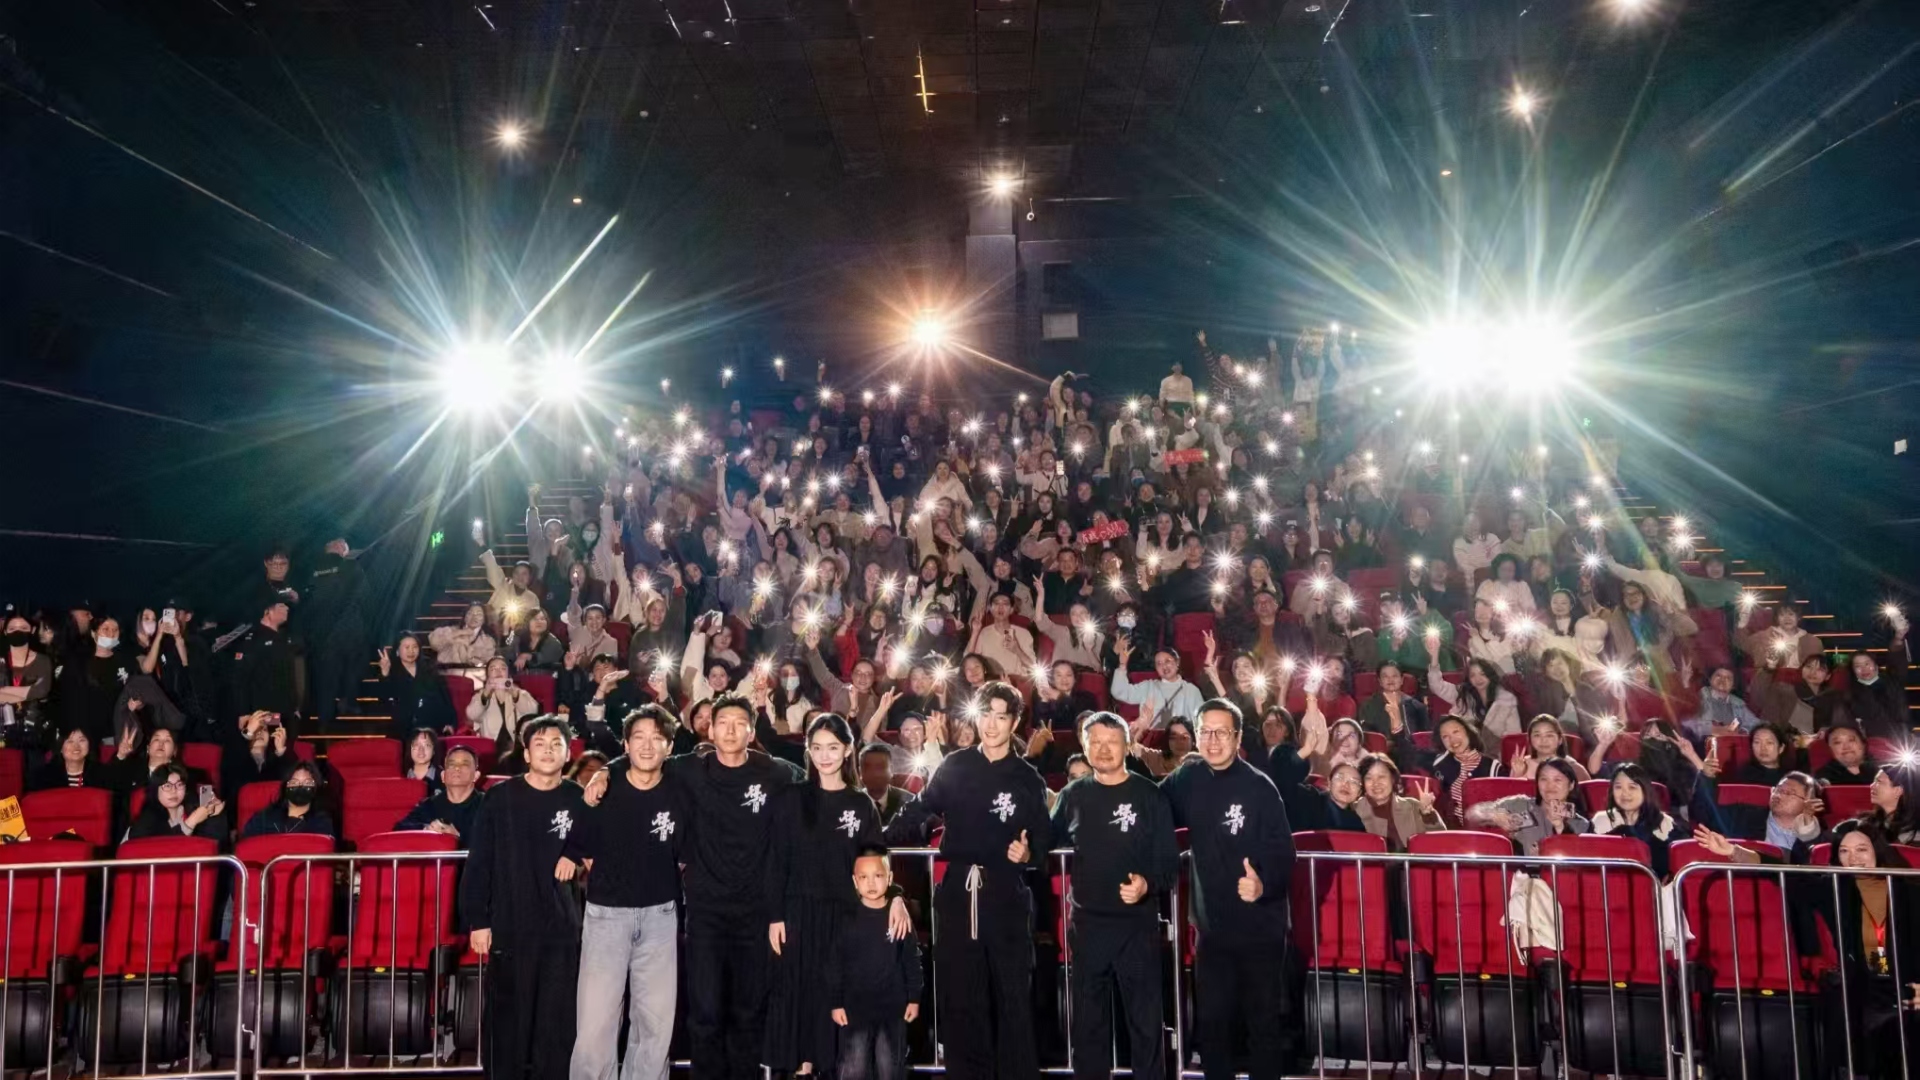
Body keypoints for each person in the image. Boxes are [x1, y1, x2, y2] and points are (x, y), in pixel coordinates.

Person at [585, 694, 805, 1080]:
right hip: (705, 913)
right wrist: (604, 770)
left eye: (739, 723)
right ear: (710, 730)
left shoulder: (774, 772)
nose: (731, 730)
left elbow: (816, 777)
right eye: (723, 723)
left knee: (748, 1011)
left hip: (755, 913)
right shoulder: (691, 769)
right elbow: (644, 758)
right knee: (704, 1013)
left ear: (751, 731)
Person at [883, 682, 1052, 1080]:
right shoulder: (956, 765)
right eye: (985, 714)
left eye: (1001, 716)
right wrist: (877, 840)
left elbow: (1045, 838)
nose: (991, 724)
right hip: (958, 894)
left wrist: (1028, 854)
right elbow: (920, 808)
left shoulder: (1027, 778)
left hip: (1006, 896)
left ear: (1014, 723)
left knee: (1012, 995)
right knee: (961, 996)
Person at [764, 715, 908, 1077]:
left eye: (832, 747)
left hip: (844, 916)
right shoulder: (791, 798)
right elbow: (776, 860)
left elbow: (876, 858)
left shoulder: (860, 804)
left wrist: (896, 895)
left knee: (836, 998)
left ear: (847, 751)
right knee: (798, 996)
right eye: (817, 748)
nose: (824, 756)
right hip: (797, 914)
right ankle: (800, 1069)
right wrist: (775, 916)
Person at [1159, 698, 1296, 1080]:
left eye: (1222, 732)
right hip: (1212, 931)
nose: (1213, 740)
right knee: (1213, 1025)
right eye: (1205, 732)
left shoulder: (1259, 787)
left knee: (1262, 1024)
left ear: (1237, 738)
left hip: (1260, 929)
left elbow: (1285, 852)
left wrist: (1263, 883)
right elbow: (1152, 804)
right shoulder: (1188, 778)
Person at [1049, 713, 1178, 1080]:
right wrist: (1025, 849)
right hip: (1088, 926)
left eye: (1112, 742)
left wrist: (1146, 884)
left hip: (1136, 927)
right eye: (1096, 742)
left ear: (1126, 745)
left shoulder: (1149, 795)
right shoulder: (1072, 795)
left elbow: (1169, 864)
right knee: (1088, 1025)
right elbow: (1046, 842)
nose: (1104, 749)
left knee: (1145, 1022)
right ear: (1085, 746)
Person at [465, 718, 587, 1080]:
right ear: (527, 753)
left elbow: (596, 841)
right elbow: (480, 860)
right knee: (508, 1023)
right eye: (540, 744)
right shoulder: (500, 798)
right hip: (511, 924)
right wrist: (478, 919)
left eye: (556, 744)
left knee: (558, 1023)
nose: (548, 750)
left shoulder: (577, 798)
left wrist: (575, 853)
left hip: (561, 927)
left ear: (567, 754)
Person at [565, 707, 684, 1080]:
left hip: (660, 916)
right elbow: (582, 847)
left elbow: (685, 852)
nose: (647, 746)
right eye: (639, 737)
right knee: (596, 1023)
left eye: (657, 738)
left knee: (655, 1024)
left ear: (669, 747)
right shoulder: (603, 789)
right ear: (626, 745)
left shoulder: (680, 790)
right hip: (607, 915)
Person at [1803, 821, 1920, 1079]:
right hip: (1866, 990)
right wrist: (1736, 853)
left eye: (1861, 849)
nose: (1853, 858)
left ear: (1877, 851)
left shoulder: (1911, 889)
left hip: (1911, 987)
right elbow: (1788, 877)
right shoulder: (1835, 889)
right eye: (1844, 851)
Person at [826, 846, 925, 1080]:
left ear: (889, 878)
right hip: (855, 1010)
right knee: (853, 1067)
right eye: (864, 877)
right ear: (855, 880)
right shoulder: (846, 919)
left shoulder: (899, 918)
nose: (871, 883)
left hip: (892, 1010)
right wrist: (836, 1002)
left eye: (878, 875)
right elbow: (835, 964)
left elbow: (912, 960)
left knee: (890, 1068)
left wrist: (914, 998)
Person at [305, 537, 371, 724]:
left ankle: (325, 717)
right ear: (340, 547)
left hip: (322, 634)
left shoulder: (312, 570)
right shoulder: (350, 566)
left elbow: (306, 601)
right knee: (352, 668)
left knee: (326, 676)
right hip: (350, 630)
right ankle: (349, 704)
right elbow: (365, 597)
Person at [1590, 763, 1682, 878]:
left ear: (1645, 790)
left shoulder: (1664, 822)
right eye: (1618, 787)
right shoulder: (1600, 820)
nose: (1625, 793)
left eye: (1632, 787)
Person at [57, 615, 136, 745]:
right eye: (105, 629)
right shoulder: (78, 662)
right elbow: (68, 699)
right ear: (94, 633)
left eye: (115, 630)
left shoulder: (125, 661)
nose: (111, 634)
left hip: (114, 729)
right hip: (85, 731)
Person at [229, 599, 302, 733]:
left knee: (282, 742)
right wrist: (243, 711)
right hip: (262, 711)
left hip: (284, 710)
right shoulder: (252, 639)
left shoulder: (283, 639)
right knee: (265, 742)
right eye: (281, 606)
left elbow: (287, 676)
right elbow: (240, 678)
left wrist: (294, 705)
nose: (286, 609)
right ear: (268, 611)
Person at [396, 745, 487, 845]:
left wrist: (458, 837)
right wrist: (427, 829)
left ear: (476, 776)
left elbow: (494, 840)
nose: (457, 768)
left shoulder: (488, 804)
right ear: (443, 776)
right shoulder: (429, 805)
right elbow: (399, 829)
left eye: (464, 764)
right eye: (451, 764)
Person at [1844, 609, 1911, 740]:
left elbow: (1897, 662)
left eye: (1867, 663)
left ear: (1875, 665)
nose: (1864, 669)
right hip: (1870, 743)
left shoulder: (1891, 682)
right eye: (1858, 666)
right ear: (1853, 670)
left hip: (1900, 740)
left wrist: (1898, 637)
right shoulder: (1850, 694)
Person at [1355, 754, 1443, 851]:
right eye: (1369, 778)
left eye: (1381, 776)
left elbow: (1440, 842)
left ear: (1392, 779)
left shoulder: (1413, 806)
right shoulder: (1355, 810)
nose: (1376, 783)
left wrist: (1428, 815)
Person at [1108, 640, 1203, 730]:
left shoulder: (1191, 690)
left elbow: (1201, 721)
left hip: (1179, 739)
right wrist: (1122, 665)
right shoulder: (1148, 687)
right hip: (1151, 738)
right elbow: (1119, 692)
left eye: (1167, 661)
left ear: (1177, 662)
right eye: (1159, 664)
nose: (1164, 666)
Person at [378, 634, 456, 740]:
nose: (411, 651)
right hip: (405, 730)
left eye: (415, 647)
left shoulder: (429, 669)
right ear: (397, 651)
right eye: (407, 647)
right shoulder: (392, 672)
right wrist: (385, 674)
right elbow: (384, 699)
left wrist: (450, 722)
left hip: (433, 727)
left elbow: (445, 697)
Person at [1426, 653, 1522, 739]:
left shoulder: (1507, 701)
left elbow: (1514, 736)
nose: (1478, 679)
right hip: (1461, 748)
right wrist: (1434, 656)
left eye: (1482, 674)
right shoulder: (1462, 694)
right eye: (1473, 675)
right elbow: (1436, 685)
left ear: (1490, 675)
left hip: (1495, 751)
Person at [125, 762, 228, 841]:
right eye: (167, 786)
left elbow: (212, 844)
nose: (174, 791)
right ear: (155, 790)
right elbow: (159, 849)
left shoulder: (192, 808)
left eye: (179, 785)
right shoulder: (147, 817)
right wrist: (191, 822)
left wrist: (215, 816)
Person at [1429, 715, 1498, 827]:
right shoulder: (1439, 765)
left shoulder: (1492, 766)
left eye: (1456, 732)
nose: (1452, 740)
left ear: (1468, 732)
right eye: (1445, 737)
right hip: (1451, 830)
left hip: (1484, 830)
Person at [468, 656, 541, 756]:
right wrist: (486, 693)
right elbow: (472, 714)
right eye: (493, 669)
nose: (498, 672)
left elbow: (533, 711)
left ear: (508, 674)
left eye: (503, 668)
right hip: (491, 748)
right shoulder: (481, 695)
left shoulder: (519, 692)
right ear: (487, 676)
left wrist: (514, 693)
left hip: (515, 747)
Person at [0, 612, 54, 744]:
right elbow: (35, 692)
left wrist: (4, 690)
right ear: (5, 632)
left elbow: (42, 691)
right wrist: (29, 692)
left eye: (23, 628)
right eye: (12, 628)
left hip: (34, 729)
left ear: (32, 630)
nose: (18, 632)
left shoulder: (43, 660)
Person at [1678, 665, 1762, 750]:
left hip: (1731, 749)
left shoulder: (1738, 704)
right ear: (1710, 680)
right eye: (1718, 675)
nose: (1722, 680)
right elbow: (1686, 722)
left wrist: (1742, 731)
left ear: (1733, 686)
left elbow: (1758, 725)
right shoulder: (1700, 697)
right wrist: (1714, 729)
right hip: (1703, 748)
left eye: (1728, 678)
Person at [242, 763, 336, 837]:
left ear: (316, 787)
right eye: (294, 782)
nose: (300, 786)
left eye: (307, 783)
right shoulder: (264, 818)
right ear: (285, 787)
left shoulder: (322, 823)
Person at [30, 725, 110, 790]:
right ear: (61, 747)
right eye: (70, 741)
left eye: (81, 740)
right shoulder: (43, 776)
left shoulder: (103, 775)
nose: (76, 746)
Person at [858, 742, 917, 825]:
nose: (874, 773)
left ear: (891, 770)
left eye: (880, 767)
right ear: (860, 772)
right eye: (868, 767)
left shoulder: (910, 802)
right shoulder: (850, 804)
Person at [1868, 763, 1920, 844]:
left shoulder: (1913, 836)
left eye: (1879, 782)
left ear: (1898, 791)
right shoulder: (1870, 822)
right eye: (1874, 781)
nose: (1871, 786)